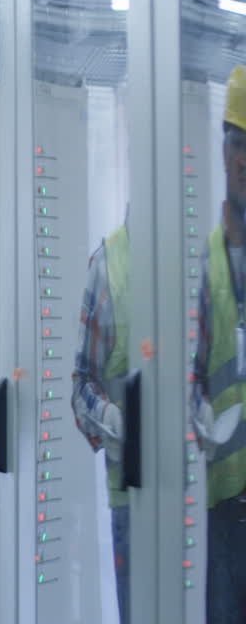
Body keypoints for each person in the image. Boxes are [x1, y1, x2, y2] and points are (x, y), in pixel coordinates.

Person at [189, 65, 246, 624]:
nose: (244, 157)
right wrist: (198, 412)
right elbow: (187, 373)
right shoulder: (205, 264)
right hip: (227, 504)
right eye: (236, 142)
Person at [69, 221, 131, 624]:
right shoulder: (109, 262)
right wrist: (109, 418)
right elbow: (82, 386)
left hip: (206, 498)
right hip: (133, 496)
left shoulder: (202, 253)